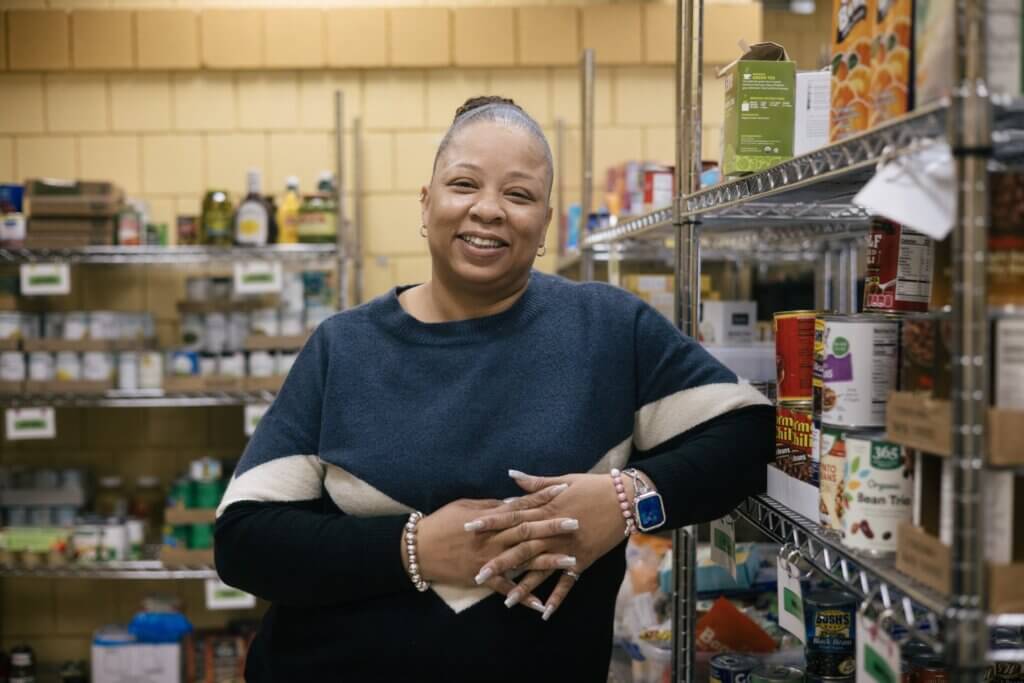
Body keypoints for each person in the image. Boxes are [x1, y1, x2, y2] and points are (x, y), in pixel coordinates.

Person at [214, 96, 774, 682]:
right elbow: (245, 540)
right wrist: (416, 550)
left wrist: (629, 499)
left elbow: (749, 434)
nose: (488, 209)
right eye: (464, 184)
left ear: (545, 225)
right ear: (426, 205)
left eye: (519, 194)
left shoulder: (607, 331)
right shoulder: (343, 348)